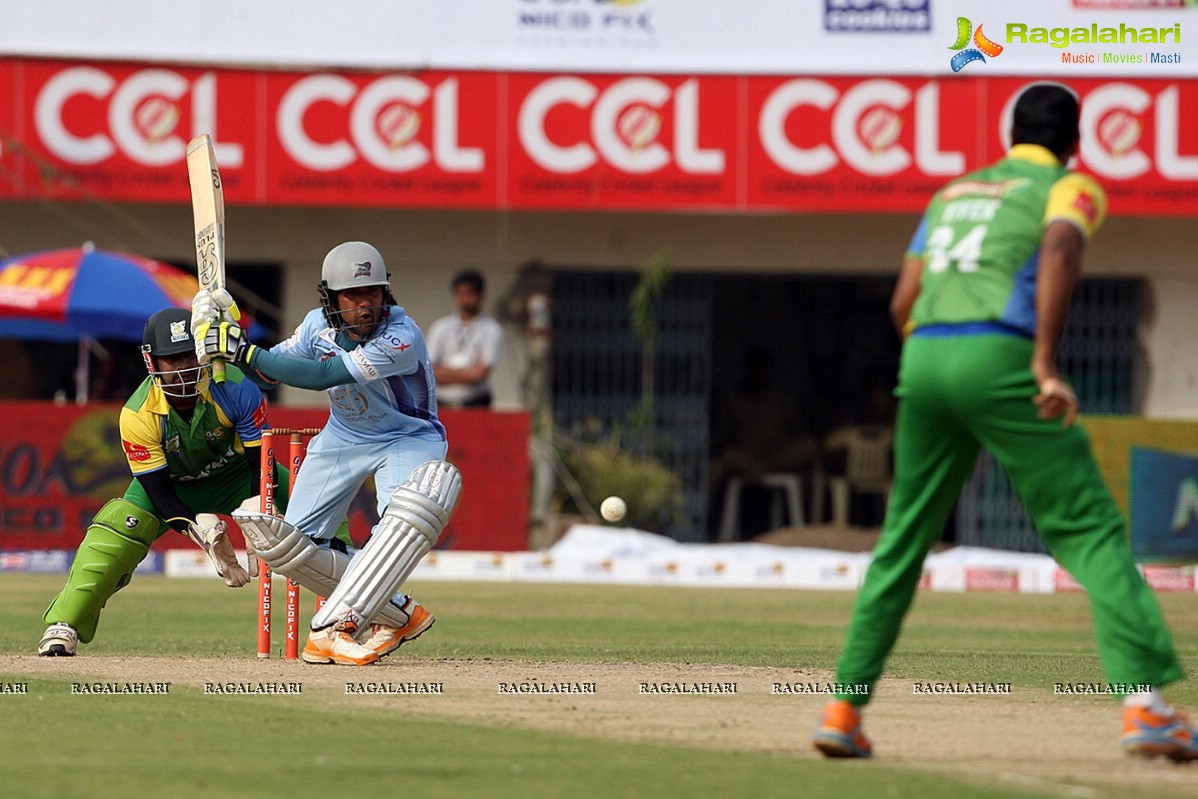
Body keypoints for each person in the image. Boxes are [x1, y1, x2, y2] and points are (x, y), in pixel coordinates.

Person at [812, 83, 1196, 762]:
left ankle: (844, 707)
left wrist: (937, 367)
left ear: (1007, 134)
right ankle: (1147, 705)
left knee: (903, 538)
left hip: (926, 354)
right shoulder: (1069, 187)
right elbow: (1058, 252)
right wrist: (1043, 362)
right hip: (1003, 353)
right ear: (1075, 141)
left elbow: (904, 298)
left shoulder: (952, 193)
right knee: (1088, 528)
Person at [192, 241, 458, 667]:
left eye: (372, 292)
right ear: (331, 299)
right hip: (345, 435)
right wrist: (223, 340)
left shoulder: (401, 336)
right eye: (352, 296)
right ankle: (401, 612)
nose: (365, 304)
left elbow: (323, 375)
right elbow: (267, 371)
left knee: (397, 532)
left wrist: (240, 351)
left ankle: (343, 624)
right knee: (288, 550)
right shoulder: (317, 326)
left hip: (408, 437)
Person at [38, 308, 265, 656]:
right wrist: (199, 531)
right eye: (172, 359)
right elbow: (160, 495)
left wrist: (258, 513)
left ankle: (350, 613)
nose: (184, 368)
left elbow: (259, 464)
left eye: (190, 355)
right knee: (115, 533)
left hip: (235, 475)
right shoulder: (137, 413)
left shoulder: (234, 385)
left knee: (311, 492)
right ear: (152, 362)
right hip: (172, 486)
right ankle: (64, 624)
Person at [426, 269, 504, 408]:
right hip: (441, 403)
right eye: (460, 293)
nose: (465, 299)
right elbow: (428, 370)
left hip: (476, 402)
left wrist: (444, 372)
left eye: (469, 293)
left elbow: (479, 374)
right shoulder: (440, 327)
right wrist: (467, 373)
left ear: (480, 295)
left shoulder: (492, 329)